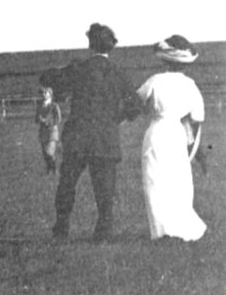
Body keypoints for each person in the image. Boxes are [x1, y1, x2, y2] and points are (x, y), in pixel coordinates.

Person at [40, 23, 142, 242]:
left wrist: (66, 70)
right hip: (106, 139)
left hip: (78, 137)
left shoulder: (79, 69)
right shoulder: (118, 73)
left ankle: (61, 228)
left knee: (67, 184)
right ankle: (103, 233)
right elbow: (136, 105)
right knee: (105, 190)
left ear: (90, 45)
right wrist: (117, 119)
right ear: (110, 47)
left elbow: (47, 78)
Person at [136, 35, 206, 241]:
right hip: (177, 134)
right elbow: (196, 119)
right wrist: (192, 146)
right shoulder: (191, 85)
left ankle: (163, 230)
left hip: (157, 132)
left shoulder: (155, 81)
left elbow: (135, 102)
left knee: (155, 180)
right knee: (178, 180)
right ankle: (179, 228)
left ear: (165, 61)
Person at [35, 87, 62, 174]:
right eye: (42, 93)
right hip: (43, 132)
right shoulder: (39, 106)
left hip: (52, 132)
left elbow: (58, 119)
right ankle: (49, 169)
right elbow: (35, 119)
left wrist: (47, 122)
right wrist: (38, 119)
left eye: (45, 93)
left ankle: (54, 168)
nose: (43, 95)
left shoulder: (54, 106)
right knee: (45, 153)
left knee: (49, 152)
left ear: (50, 94)